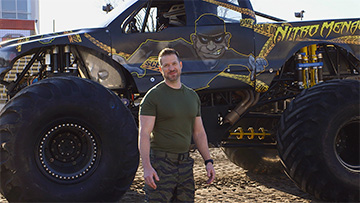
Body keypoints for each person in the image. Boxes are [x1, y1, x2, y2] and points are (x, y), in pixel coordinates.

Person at [138, 48, 216, 202]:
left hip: (185, 165)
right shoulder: (153, 97)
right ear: (161, 70)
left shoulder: (192, 97)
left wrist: (208, 161)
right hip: (161, 165)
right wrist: (147, 167)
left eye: (174, 64)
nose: (171, 68)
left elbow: (199, 132)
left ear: (180, 65)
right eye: (166, 66)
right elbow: (144, 134)